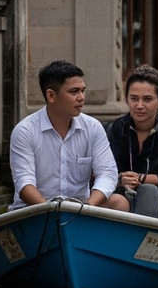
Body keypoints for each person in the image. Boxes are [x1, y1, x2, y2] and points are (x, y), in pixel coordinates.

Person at [9, 60, 128, 211]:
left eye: (82, 90)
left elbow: (107, 173)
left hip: (79, 209)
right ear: (51, 96)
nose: (81, 97)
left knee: (119, 202)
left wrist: (88, 206)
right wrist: (50, 212)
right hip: (35, 210)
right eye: (74, 92)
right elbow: (24, 184)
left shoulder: (92, 127)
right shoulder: (25, 131)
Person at [106, 65, 158, 219]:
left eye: (147, 99)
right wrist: (120, 179)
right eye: (134, 98)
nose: (139, 106)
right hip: (119, 197)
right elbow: (101, 170)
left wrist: (139, 178)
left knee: (149, 190)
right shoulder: (113, 130)